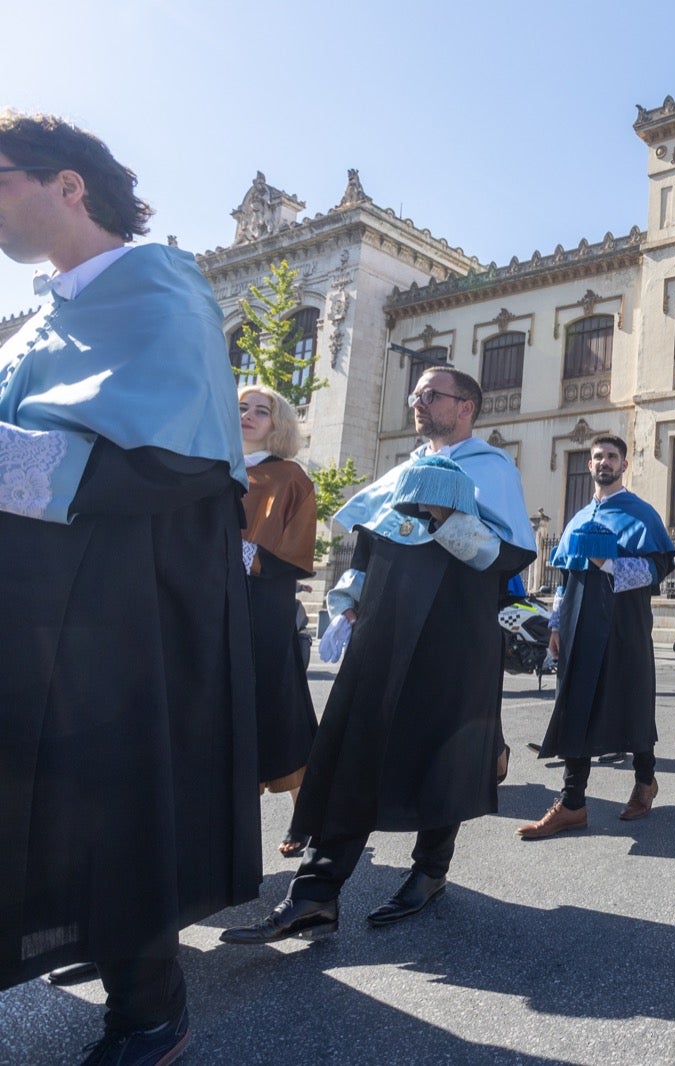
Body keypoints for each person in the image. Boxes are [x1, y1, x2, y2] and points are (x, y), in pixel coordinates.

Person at [0, 113, 258, 1061]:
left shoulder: (163, 287)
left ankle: (150, 1008)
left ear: (68, 185)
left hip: (115, 605)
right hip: (29, 597)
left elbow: (165, 461)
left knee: (111, 794)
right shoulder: (40, 317)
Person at [223, 368, 537, 948]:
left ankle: (430, 871)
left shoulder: (492, 470)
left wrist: (447, 520)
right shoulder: (406, 465)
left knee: (444, 748)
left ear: (467, 406)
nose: (418, 402)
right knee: (352, 749)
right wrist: (344, 606)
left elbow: (508, 556)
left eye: (431, 395)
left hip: (454, 633)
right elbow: (367, 546)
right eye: (415, 394)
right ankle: (315, 894)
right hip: (383, 629)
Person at [518, 435, 675, 837]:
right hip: (576, 620)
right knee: (576, 701)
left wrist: (609, 565)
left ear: (624, 465)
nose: (603, 462)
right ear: (589, 466)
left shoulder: (641, 514)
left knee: (630, 697)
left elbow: (658, 567)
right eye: (596, 457)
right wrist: (556, 623)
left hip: (623, 621)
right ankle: (573, 803)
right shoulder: (577, 517)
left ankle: (645, 780)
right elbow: (564, 574)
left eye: (611, 456)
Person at [238, 385, 319, 858]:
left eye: (260, 411)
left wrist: (242, 554)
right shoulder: (211, 470)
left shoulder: (290, 478)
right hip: (211, 610)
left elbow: (296, 552)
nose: (248, 415)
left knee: (280, 712)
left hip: (264, 614)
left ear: (278, 423)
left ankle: (306, 813)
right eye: (241, 408)